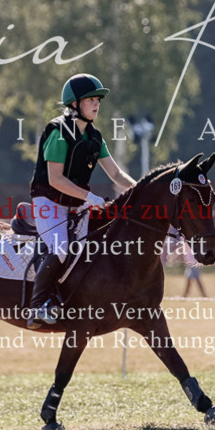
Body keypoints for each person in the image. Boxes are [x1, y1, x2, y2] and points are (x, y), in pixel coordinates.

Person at [26, 73, 136, 329]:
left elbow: (117, 174)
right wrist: (90, 197)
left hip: (76, 203)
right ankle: (37, 305)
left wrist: (140, 190)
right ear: (74, 104)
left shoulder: (95, 137)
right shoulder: (59, 132)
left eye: (98, 100)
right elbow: (55, 179)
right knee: (61, 247)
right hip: (48, 201)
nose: (97, 104)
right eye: (90, 100)